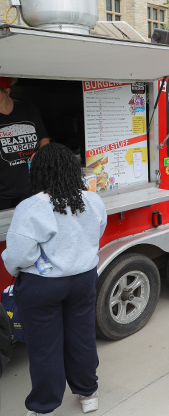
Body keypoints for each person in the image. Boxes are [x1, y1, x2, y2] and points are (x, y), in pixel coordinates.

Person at [2, 143, 106, 414]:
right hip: (83, 279)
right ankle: (88, 393)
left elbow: (18, 254)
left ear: (38, 172)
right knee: (82, 337)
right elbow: (98, 231)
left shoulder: (32, 206)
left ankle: (43, 406)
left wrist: (18, 273)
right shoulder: (92, 199)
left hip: (43, 286)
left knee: (45, 347)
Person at [0, 77, 51, 210]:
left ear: (7, 91)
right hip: (3, 193)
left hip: (32, 188)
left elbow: (43, 137)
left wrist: (41, 154)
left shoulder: (28, 109)